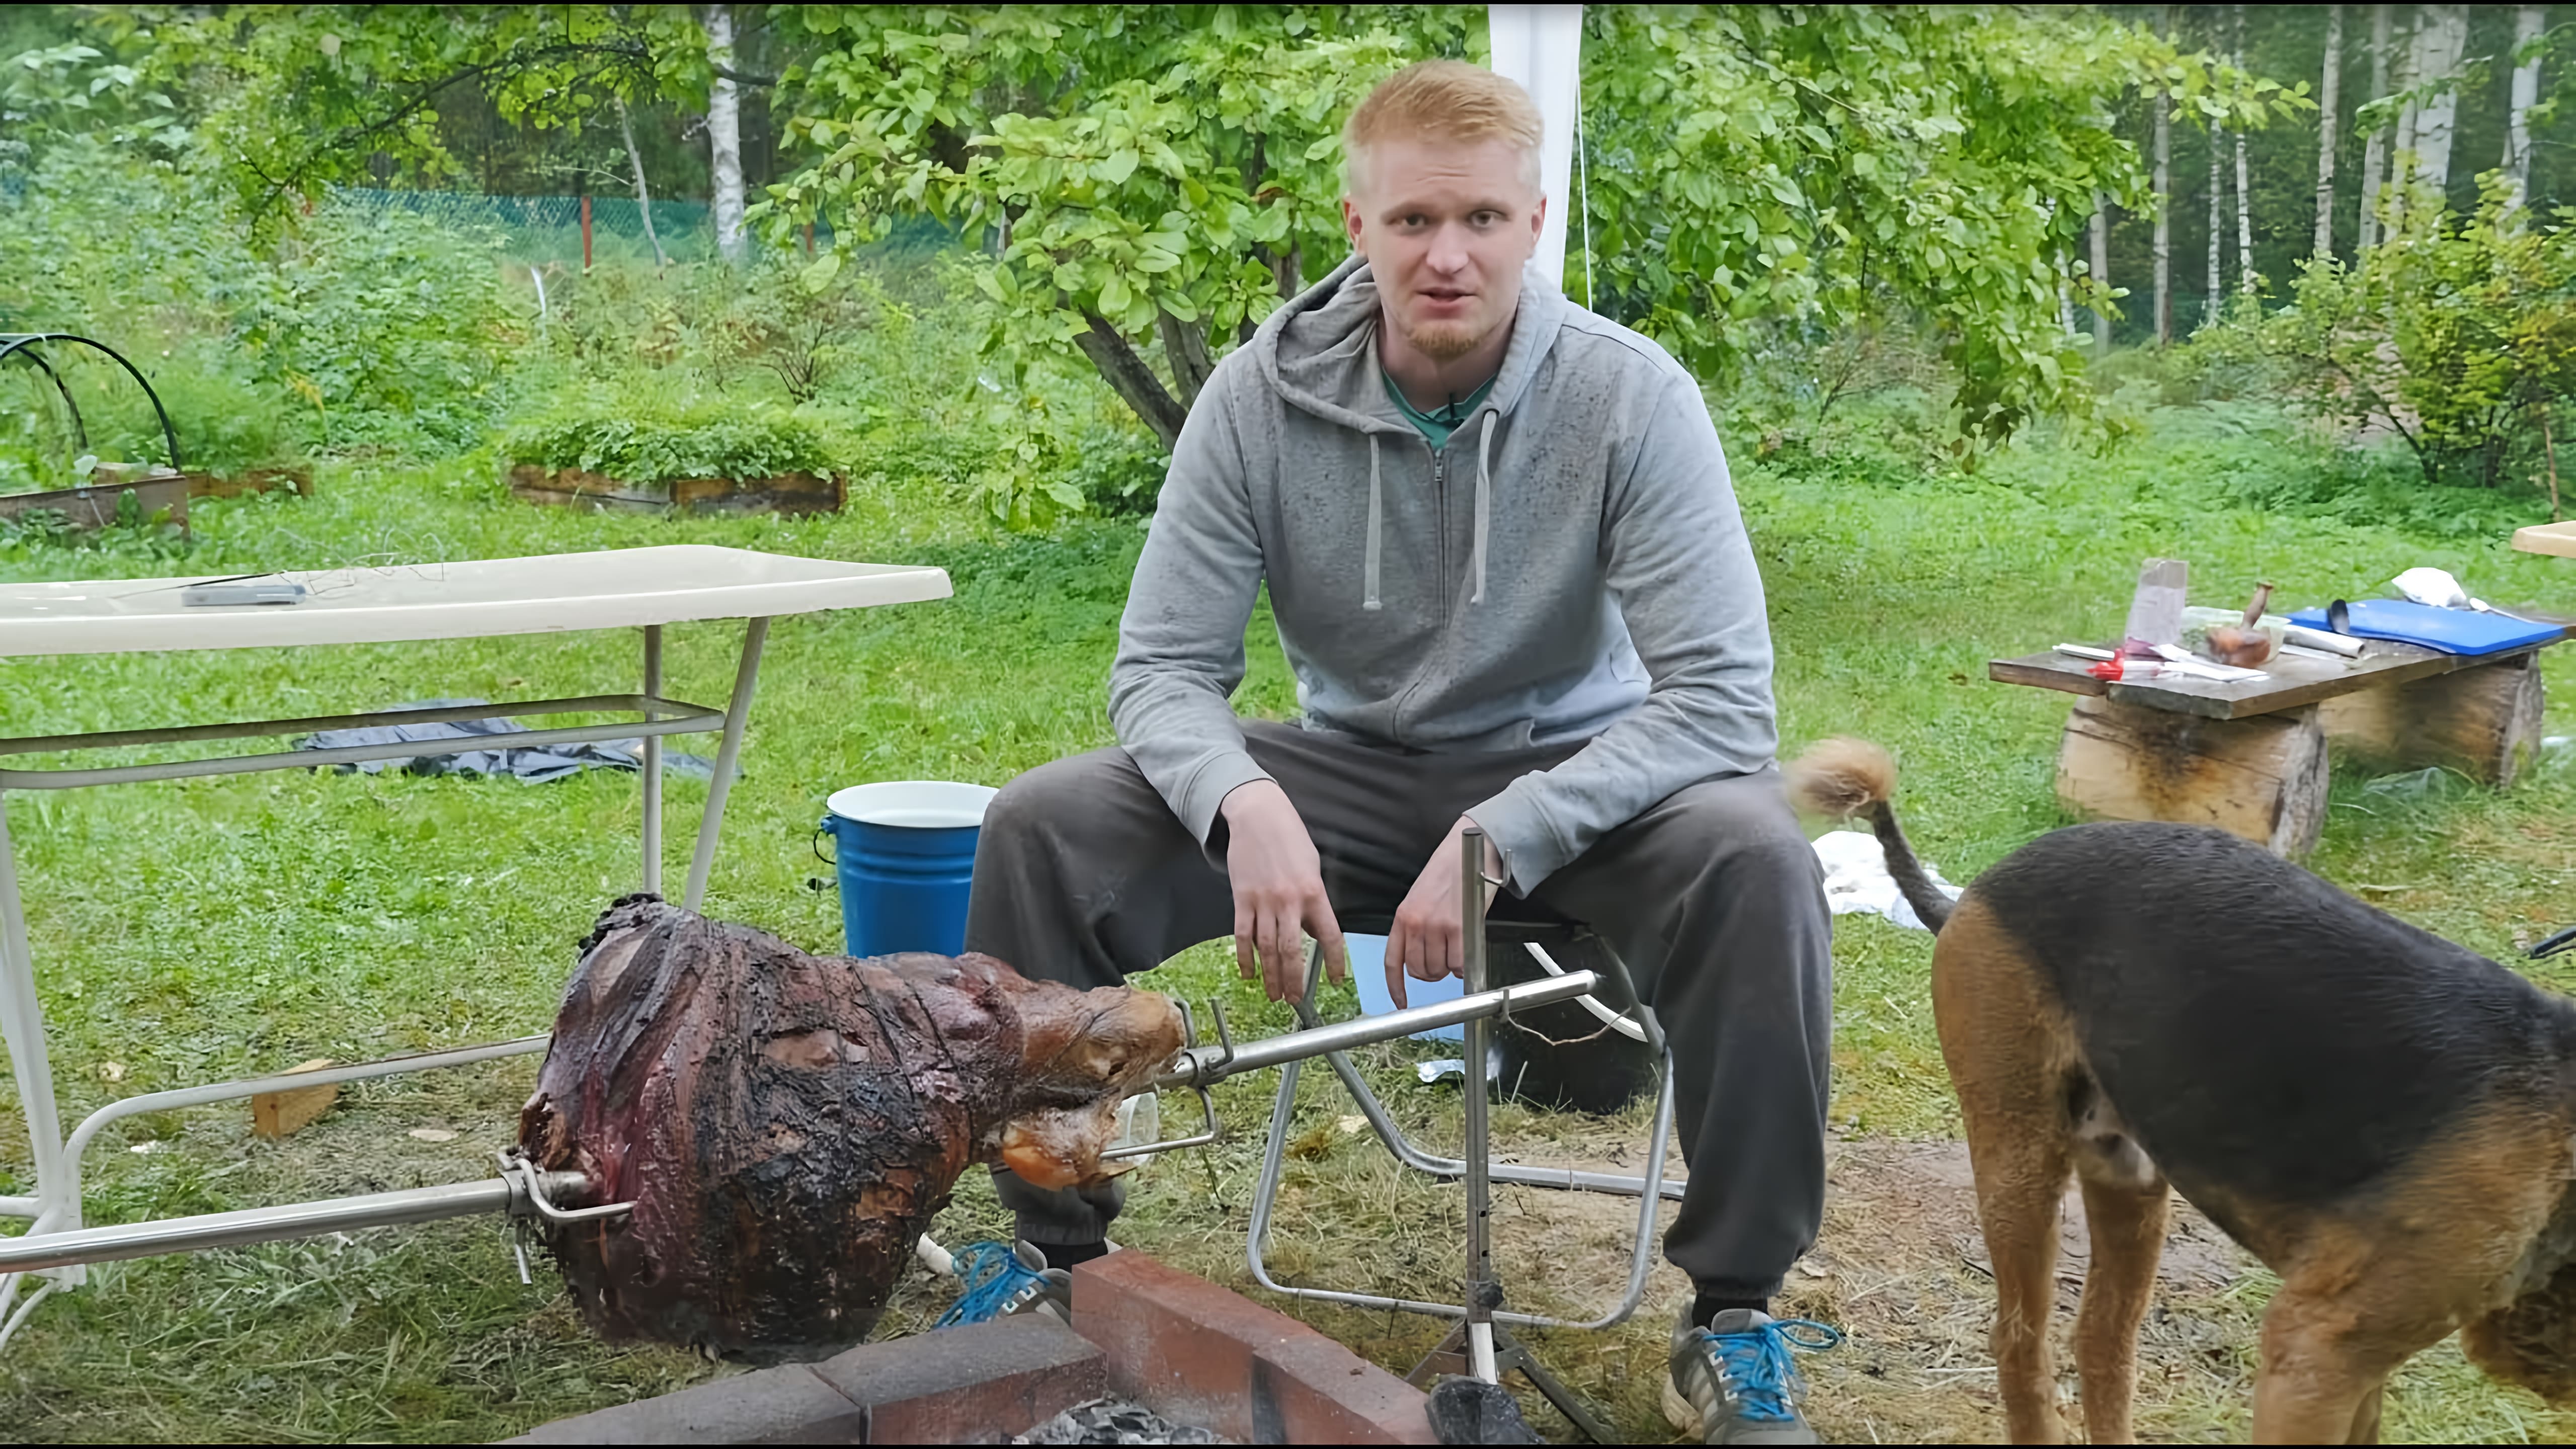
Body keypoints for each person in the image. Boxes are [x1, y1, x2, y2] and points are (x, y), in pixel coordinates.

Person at [964, 59, 1839, 1445]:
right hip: (1350, 773)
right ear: (1357, 224)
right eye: (1416, 219)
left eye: (1483, 220)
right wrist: (1242, 796)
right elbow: (1160, 671)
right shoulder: (1257, 398)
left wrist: (1510, 834)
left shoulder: (1632, 399)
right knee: (1042, 824)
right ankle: (1052, 1257)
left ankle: (1735, 1310)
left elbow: (1724, 706)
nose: (1449, 254)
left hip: (1583, 782)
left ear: (1534, 223)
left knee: (1760, 857)